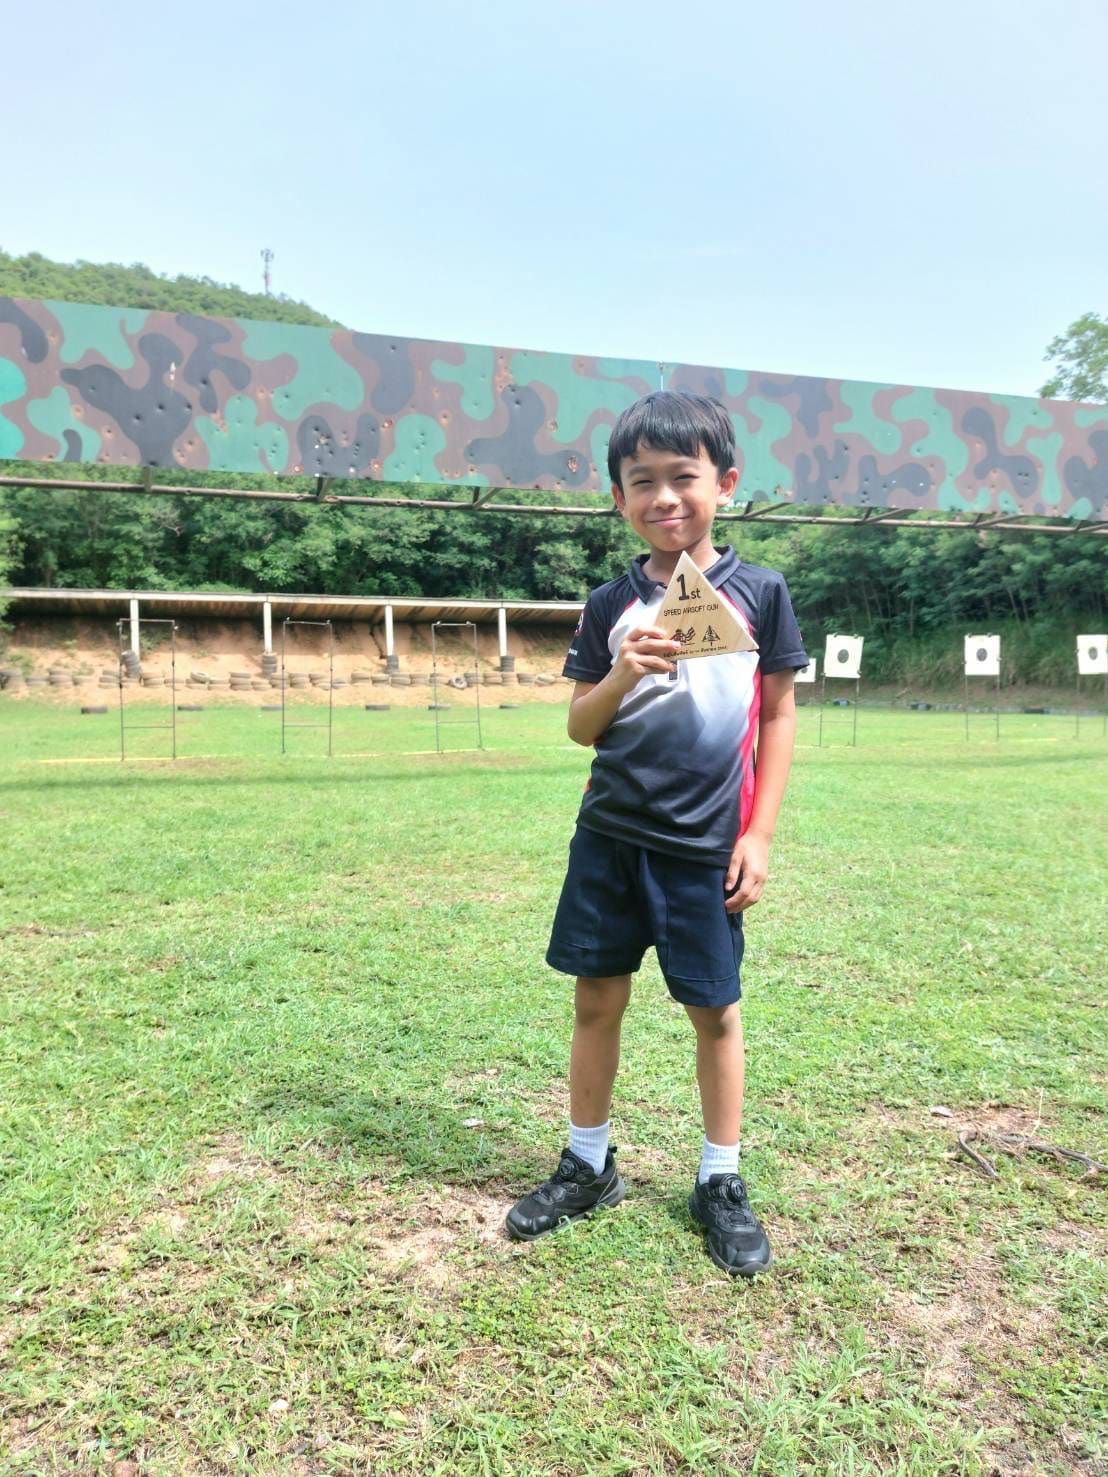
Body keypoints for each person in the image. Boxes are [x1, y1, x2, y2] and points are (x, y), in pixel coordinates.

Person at [504, 390, 808, 1276]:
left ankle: (720, 1178)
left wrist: (759, 834)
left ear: (726, 484)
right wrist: (621, 674)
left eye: (684, 477)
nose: (665, 498)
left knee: (714, 1011)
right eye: (643, 482)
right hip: (608, 837)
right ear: (618, 497)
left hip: (706, 848)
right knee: (596, 999)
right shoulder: (611, 602)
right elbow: (580, 726)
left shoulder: (759, 592)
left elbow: (778, 716)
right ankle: (588, 1164)